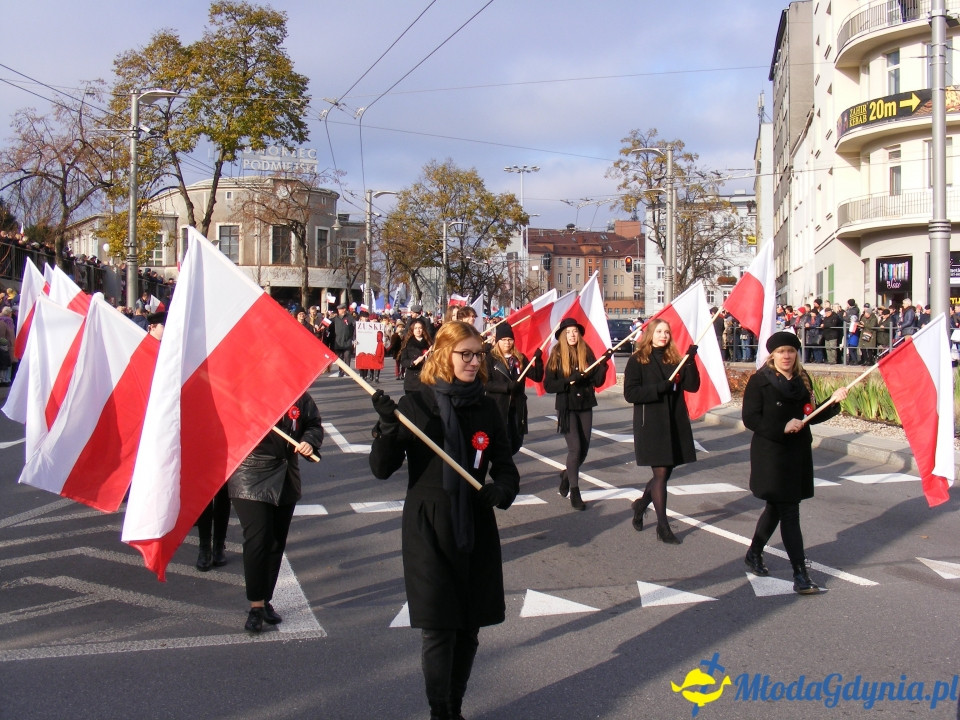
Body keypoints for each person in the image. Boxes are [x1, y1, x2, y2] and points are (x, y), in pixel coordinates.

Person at [368, 321, 519, 720]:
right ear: (443, 355)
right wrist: (386, 426)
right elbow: (381, 469)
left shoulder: (485, 406)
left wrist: (500, 491)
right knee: (440, 627)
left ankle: (454, 705)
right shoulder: (418, 404)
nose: (473, 362)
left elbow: (505, 468)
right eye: (464, 354)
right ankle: (440, 712)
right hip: (428, 524)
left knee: (470, 626)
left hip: (475, 523)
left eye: (478, 354)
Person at [742, 331, 847, 595]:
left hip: (796, 452)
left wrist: (833, 403)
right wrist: (782, 426)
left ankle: (754, 553)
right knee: (789, 511)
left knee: (777, 508)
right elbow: (750, 419)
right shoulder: (759, 381)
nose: (786, 356)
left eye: (790, 351)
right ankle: (800, 574)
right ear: (772, 355)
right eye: (780, 352)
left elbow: (809, 415)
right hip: (771, 453)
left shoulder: (803, 380)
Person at [228, 392, 323, 631]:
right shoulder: (243, 390)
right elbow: (228, 425)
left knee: (275, 542)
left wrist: (309, 441)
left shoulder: (299, 393)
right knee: (258, 538)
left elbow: (313, 423)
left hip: (285, 475)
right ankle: (256, 605)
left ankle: (266, 598)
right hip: (250, 472)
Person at [623, 318, 700, 544]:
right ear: (650, 334)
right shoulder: (638, 360)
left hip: (674, 421)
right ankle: (663, 526)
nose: (663, 336)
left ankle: (640, 505)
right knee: (661, 474)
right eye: (659, 332)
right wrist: (659, 388)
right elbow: (631, 393)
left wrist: (690, 361)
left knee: (665, 472)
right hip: (652, 424)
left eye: (667, 332)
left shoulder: (675, 358)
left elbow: (692, 386)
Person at [543, 317, 612, 511]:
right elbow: (549, 385)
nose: (572, 335)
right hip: (567, 406)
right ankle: (575, 490)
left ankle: (566, 475)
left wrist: (603, 364)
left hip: (585, 404)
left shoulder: (586, 351)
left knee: (584, 449)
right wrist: (569, 380)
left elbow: (597, 382)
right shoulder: (556, 354)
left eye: (575, 331)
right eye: (568, 332)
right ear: (562, 336)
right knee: (575, 448)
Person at [484, 322, 544, 454]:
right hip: (499, 407)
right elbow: (486, 383)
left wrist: (538, 361)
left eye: (510, 339)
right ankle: (503, 470)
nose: (507, 343)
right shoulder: (490, 359)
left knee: (517, 442)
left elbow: (537, 376)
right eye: (503, 340)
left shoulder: (520, 358)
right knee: (503, 444)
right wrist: (507, 387)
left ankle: (505, 465)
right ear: (498, 341)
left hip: (517, 407)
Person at [400, 317, 433, 394]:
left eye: (420, 328)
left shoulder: (429, 343)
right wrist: (413, 362)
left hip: (426, 379)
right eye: (415, 328)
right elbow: (403, 361)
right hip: (412, 381)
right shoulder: (407, 343)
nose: (418, 330)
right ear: (412, 330)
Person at [331, 303, 356, 377]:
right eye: (338, 309)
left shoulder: (349, 317)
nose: (339, 310)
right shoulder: (336, 318)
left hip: (347, 341)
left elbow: (355, 325)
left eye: (340, 309)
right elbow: (328, 323)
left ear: (344, 309)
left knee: (347, 356)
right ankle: (340, 371)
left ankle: (347, 371)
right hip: (338, 341)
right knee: (339, 358)